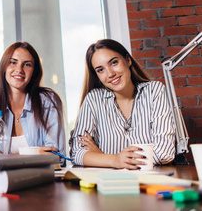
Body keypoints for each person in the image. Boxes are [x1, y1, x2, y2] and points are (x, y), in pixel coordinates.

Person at [69, 39, 176, 169]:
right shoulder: (93, 100)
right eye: (100, 70)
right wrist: (114, 160)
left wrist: (101, 156)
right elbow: (77, 153)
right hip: (108, 185)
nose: (110, 74)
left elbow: (164, 153)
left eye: (114, 62)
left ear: (128, 60)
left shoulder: (154, 91)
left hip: (150, 182)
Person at [0, 42, 66, 158]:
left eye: (27, 65)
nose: (19, 69)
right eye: (13, 62)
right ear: (4, 67)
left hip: (40, 176)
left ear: (34, 71)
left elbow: (56, 156)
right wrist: (32, 154)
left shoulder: (48, 101)